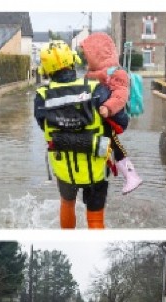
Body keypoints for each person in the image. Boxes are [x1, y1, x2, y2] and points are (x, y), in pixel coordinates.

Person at [34, 41, 130, 229]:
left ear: (46, 70)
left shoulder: (41, 96)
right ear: (72, 62)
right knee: (95, 216)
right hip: (96, 165)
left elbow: (43, 125)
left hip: (64, 166)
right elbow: (121, 122)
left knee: (67, 203)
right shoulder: (96, 89)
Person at [81, 32, 143, 194]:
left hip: (112, 117)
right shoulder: (92, 74)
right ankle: (102, 172)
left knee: (113, 142)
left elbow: (121, 95)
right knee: (103, 143)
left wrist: (108, 108)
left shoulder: (116, 73)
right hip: (98, 119)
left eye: (88, 55)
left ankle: (132, 175)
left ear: (97, 54)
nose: (86, 59)